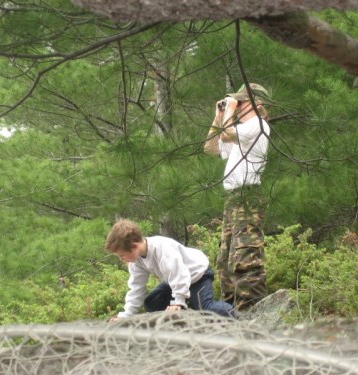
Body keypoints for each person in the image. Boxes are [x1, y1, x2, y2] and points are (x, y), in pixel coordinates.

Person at [204, 82, 270, 311]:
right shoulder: (241, 134)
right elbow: (211, 148)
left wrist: (228, 112)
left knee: (245, 259)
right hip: (233, 199)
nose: (237, 105)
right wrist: (218, 116)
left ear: (257, 104)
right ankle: (232, 313)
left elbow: (229, 133)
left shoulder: (258, 125)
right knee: (224, 262)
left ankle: (253, 312)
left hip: (247, 196)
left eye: (241, 101)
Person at [105, 219, 235, 319]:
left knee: (206, 308)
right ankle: (179, 319)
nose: (122, 259)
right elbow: (136, 288)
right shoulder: (136, 261)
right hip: (175, 282)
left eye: (122, 255)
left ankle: (238, 316)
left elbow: (180, 273)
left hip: (197, 275)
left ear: (134, 246)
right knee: (152, 302)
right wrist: (126, 315)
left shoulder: (162, 248)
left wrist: (178, 302)